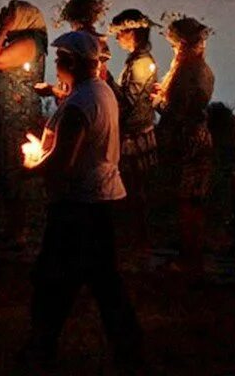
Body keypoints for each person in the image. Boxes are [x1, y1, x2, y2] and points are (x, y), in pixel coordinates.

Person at [23, 31, 142, 373]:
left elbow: (64, 161)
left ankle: (42, 347)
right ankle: (128, 349)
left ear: (72, 62)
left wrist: (34, 165)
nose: (56, 64)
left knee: (53, 279)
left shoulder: (79, 105)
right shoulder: (100, 92)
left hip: (80, 205)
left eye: (60, 59)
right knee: (104, 282)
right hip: (101, 199)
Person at [0, 0, 47, 246]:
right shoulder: (19, 40)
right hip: (3, 116)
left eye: (10, 16)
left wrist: (3, 30)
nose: (5, 17)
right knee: (4, 173)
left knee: (12, 172)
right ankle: (10, 228)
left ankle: (18, 231)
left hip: (14, 118)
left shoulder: (28, 42)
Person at [153, 15, 215, 278]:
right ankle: (190, 255)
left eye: (175, 45)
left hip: (189, 140)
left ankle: (191, 260)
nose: (174, 50)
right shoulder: (197, 68)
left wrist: (158, 102)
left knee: (188, 200)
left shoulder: (190, 72)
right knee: (191, 200)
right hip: (196, 137)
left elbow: (181, 109)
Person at [108, 8, 159, 251]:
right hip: (132, 132)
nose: (117, 39)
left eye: (120, 33)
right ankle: (133, 237)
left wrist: (106, 79)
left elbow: (129, 101)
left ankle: (138, 239)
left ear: (132, 33)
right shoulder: (136, 61)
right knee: (132, 188)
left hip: (136, 136)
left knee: (134, 188)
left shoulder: (141, 64)